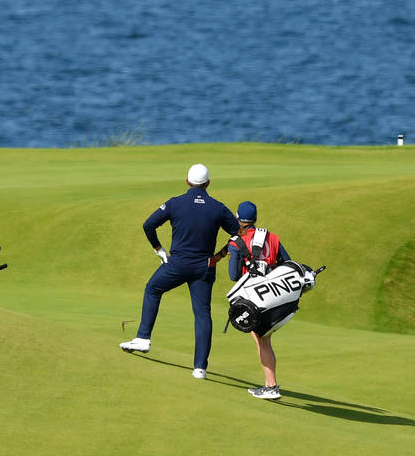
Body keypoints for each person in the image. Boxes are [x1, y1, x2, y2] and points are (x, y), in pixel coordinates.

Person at [120, 163, 241, 378]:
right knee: (202, 314)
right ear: (208, 183)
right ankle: (200, 368)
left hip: (177, 264)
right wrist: (220, 256)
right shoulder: (218, 207)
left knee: (153, 289)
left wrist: (158, 249)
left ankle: (143, 338)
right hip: (204, 267)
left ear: (187, 181)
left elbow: (148, 225)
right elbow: (240, 235)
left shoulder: (175, 204)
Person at [226, 201, 294, 401]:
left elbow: (233, 275)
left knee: (263, 341)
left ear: (239, 219)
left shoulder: (236, 241)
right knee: (263, 340)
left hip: (254, 299)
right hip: (273, 296)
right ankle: (268, 384)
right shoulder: (272, 238)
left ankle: (271, 386)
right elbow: (288, 263)